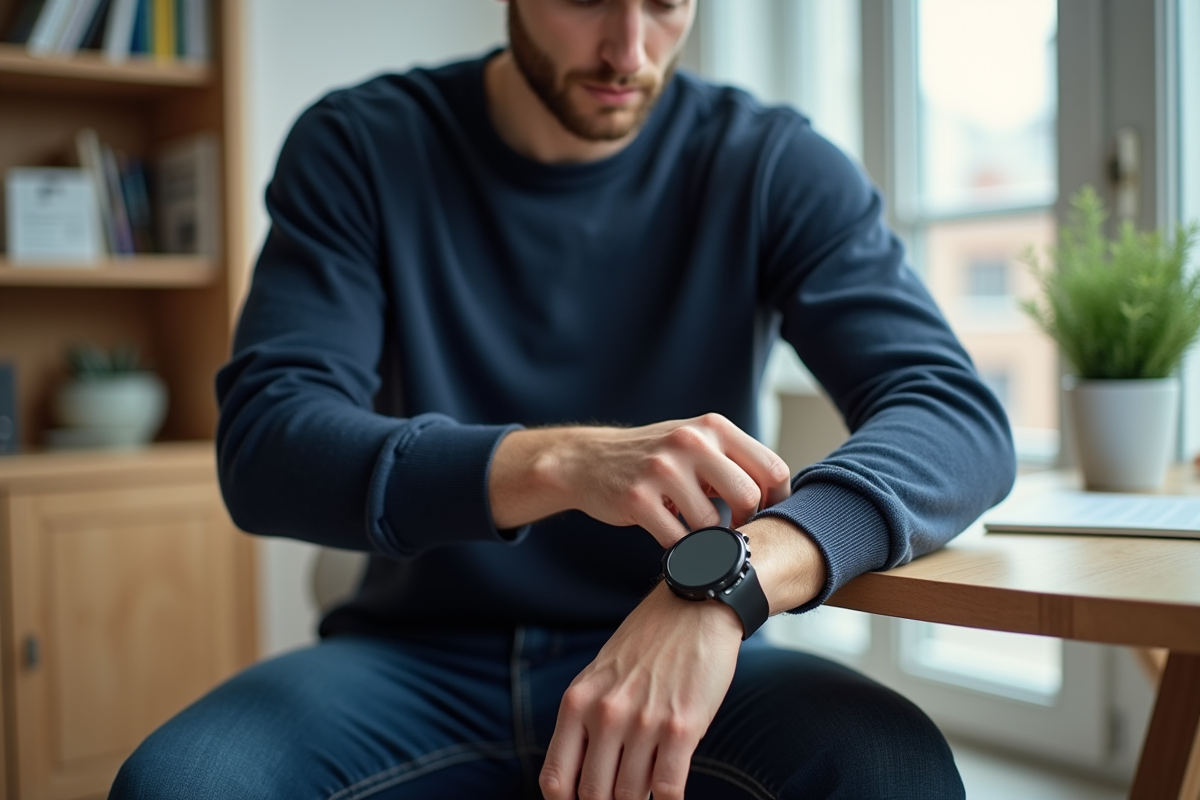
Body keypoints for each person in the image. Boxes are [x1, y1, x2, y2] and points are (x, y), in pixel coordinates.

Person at [111, 0, 1015, 798]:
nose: (629, 49)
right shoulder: (361, 146)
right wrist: (563, 463)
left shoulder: (771, 163)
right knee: (177, 785)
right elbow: (269, 446)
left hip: (695, 652)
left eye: (665, 2)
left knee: (896, 774)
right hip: (413, 663)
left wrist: (725, 588)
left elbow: (955, 416)